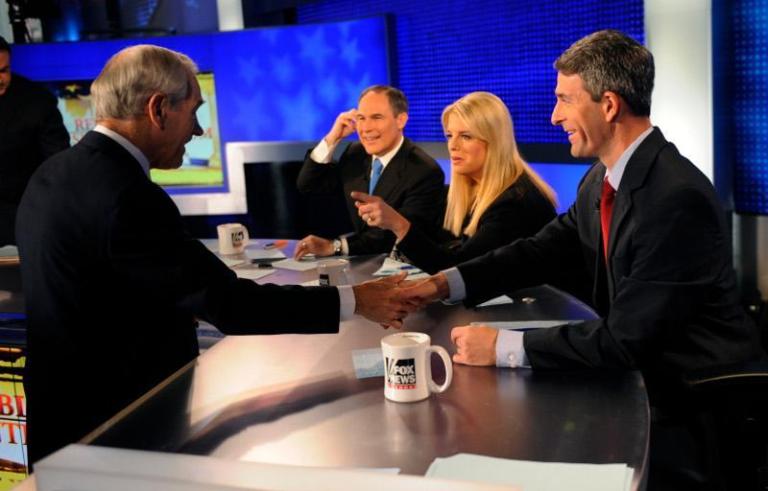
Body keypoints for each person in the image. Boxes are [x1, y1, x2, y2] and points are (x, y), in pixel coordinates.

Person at [400, 30, 762, 489]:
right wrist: (442, 284)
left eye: (564, 100)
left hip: (694, 403)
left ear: (608, 105)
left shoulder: (675, 196)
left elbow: (626, 340)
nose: (554, 116)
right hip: (644, 379)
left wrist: (503, 347)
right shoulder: (600, 180)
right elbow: (539, 250)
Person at [16, 45, 413, 464]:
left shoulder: (52, 172)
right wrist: (356, 300)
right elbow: (231, 305)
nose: (199, 130)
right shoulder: (128, 195)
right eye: (194, 112)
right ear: (158, 109)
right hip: (120, 434)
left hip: (58, 428)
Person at [351, 91, 558, 274]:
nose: (453, 145)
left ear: (494, 141)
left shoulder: (514, 202)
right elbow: (438, 247)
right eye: (450, 135)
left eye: (466, 136)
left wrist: (398, 224)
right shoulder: (466, 191)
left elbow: (459, 271)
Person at [295, 85, 445, 259]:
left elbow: (391, 238)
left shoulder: (424, 171)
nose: (365, 128)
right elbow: (308, 184)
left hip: (402, 266)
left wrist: (334, 246)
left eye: (376, 117)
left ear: (401, 120)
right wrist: (333, 137)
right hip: (362, 261)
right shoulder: (355, 153)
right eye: (361, 118)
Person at [0, 35, 69, 245]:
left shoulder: (38, 102)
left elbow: (58, 163)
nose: (0, 79)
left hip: (24, 213)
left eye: (4, 70)